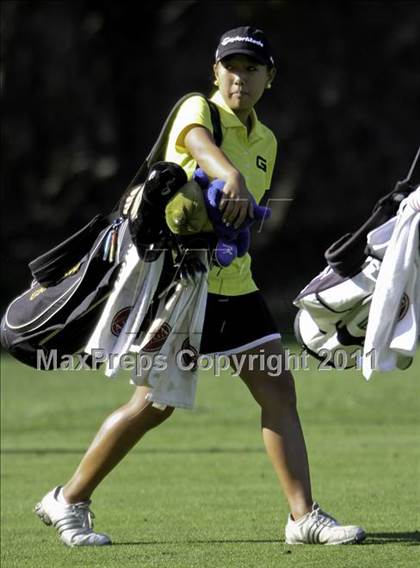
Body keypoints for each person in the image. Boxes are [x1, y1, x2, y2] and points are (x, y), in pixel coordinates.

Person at [34, 26, 366, 547]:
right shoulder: (198, 109)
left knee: (278, 388)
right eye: (231, 67)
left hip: (235, 283)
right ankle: (67, 500)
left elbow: (238, 211)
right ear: (215, 72)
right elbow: (197, 146)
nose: (240, 78)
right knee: (154, 405)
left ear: (269, 78)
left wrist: (238, 223)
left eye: (252, 69)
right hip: (181, 288)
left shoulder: (268, 141)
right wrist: (227, 175)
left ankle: (303, 518)